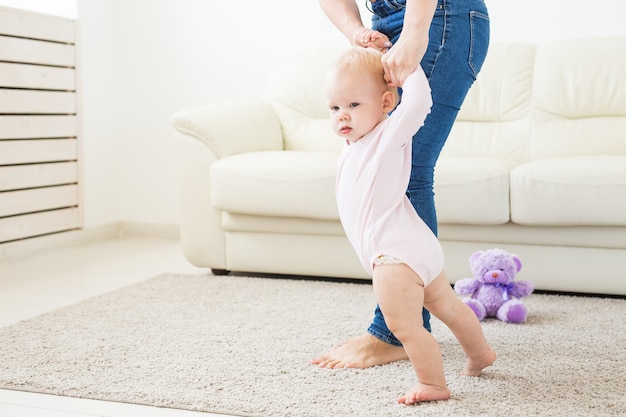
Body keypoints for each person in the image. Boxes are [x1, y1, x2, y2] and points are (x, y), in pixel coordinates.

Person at [312, 0, 490, 369]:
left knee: (408, 172)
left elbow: (415, 106)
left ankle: (396, 335)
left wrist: (415, 31)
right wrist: (356, 33)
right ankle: (473, 349)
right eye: (334, 109)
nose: (341, 116)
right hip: (389, 20)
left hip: (439, 15)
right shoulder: (354, 142)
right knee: (445, 301)